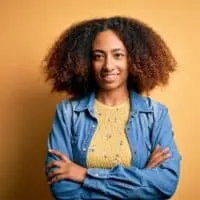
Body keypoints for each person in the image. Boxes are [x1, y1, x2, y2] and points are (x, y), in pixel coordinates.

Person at [43, 16, 181, 200]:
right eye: (98, 56)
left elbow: (165, 184)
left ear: (134, 60)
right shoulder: (68, 113)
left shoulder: (155, 114)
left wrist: (85, 175)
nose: (108, 66)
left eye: (118, 55)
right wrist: (140, 181)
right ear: (86, 61)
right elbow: (62, 189)